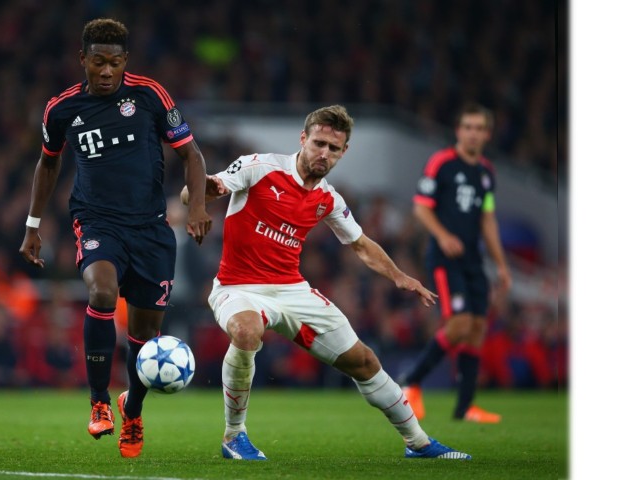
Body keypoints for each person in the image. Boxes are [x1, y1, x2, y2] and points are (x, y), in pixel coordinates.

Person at [181, 105, 471, 461]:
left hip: (293, 291)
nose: (324, 153)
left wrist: (399, 276)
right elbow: (204, 189)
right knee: (246, 331)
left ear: (343, 152)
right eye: (318, 143)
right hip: (238, 288)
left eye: (333, 148)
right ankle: (234, 436)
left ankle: (419, 442)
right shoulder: (260, 166)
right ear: (303, 139)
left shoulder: (328, 198)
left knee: (364, 362)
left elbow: (361, 245)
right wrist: (197, 196)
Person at [19, 18, 213, 458]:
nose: (106, 71)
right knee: (102, 294)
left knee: (146, 338)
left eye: (115, 63)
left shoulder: (149, 95)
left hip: (151, 229)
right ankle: (99, 402)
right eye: (98, 62)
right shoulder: (62, 109)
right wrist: (32, 225)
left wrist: (198, 207)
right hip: (97, 221)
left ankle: (134, 408)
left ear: (126, 61)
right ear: (83, 59)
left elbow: (191, 154)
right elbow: (47, 165)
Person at [398, 103, 512, 423]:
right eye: (468, 127)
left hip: (474, 260)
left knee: (477, 328)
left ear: (487, 134)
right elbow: (421, 207)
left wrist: (502, 265)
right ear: (459, 130)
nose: (473, 133)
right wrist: (443, 235)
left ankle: (464, 407)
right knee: (459, 325)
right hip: (445, 259)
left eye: (479, 128)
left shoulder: (486, 172)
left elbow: (487, 219)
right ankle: (412, 379)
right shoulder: (442, 163)